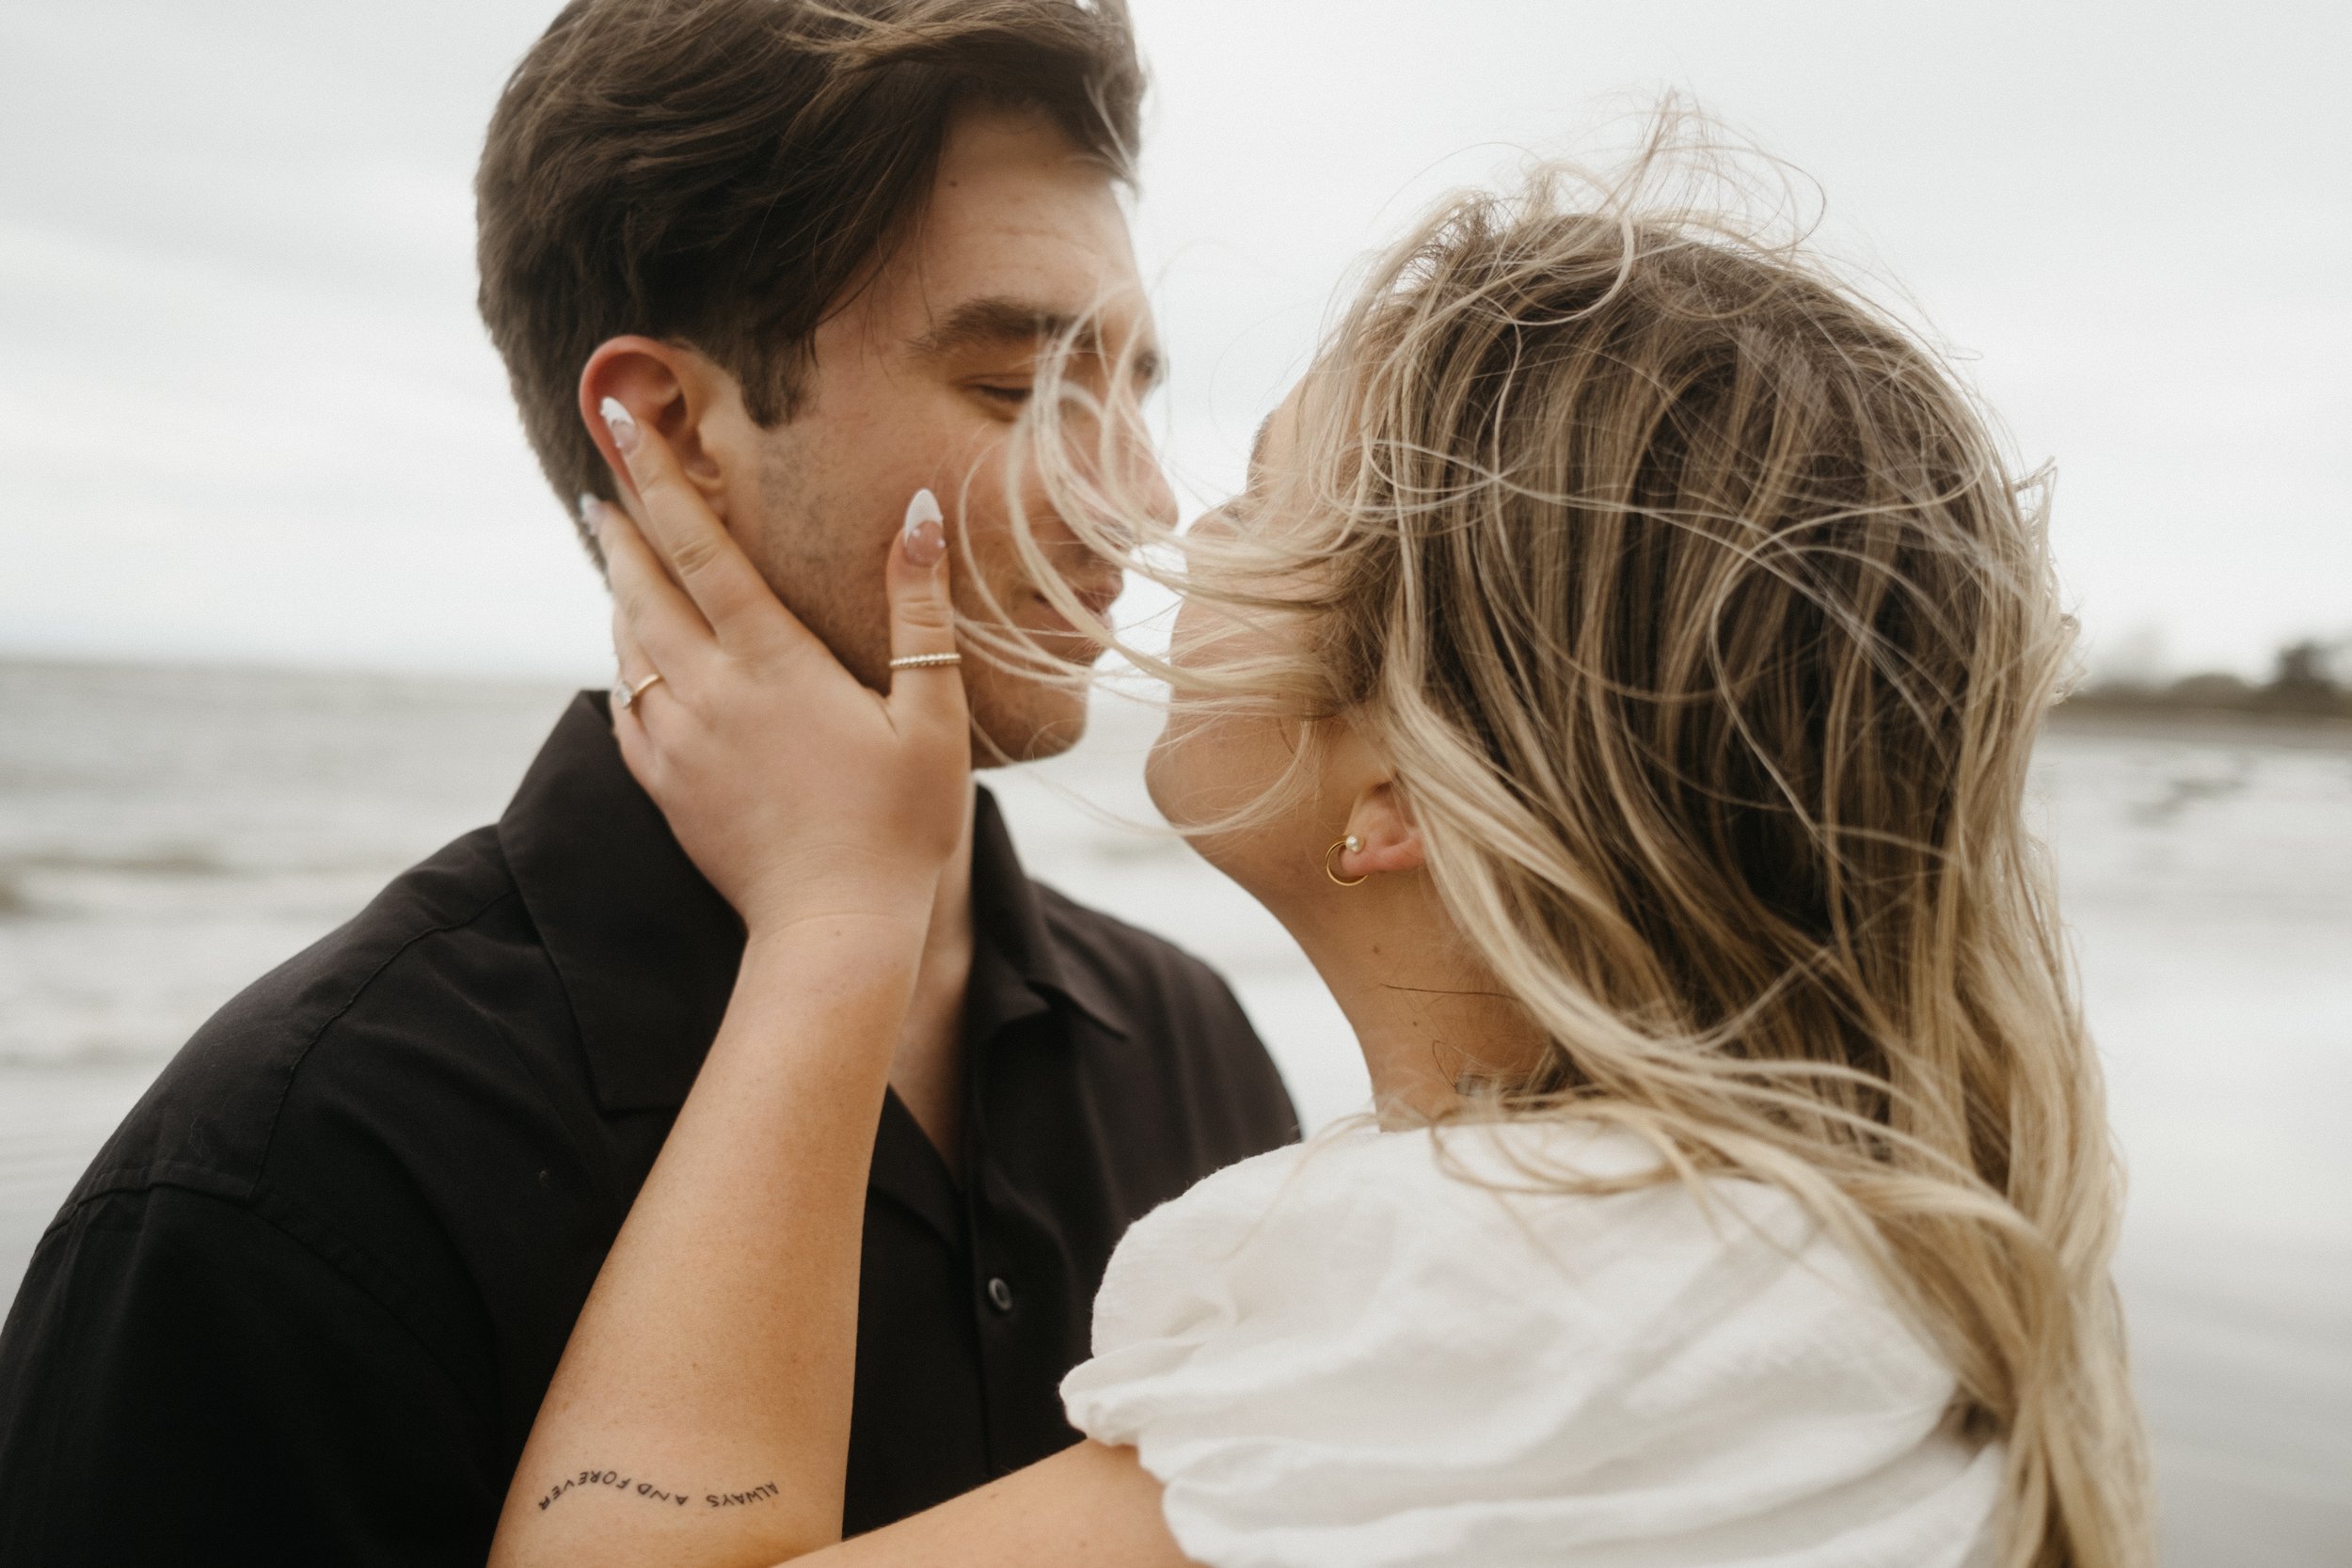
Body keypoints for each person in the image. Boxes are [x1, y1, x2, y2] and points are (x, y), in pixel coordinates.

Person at [483, 127, 2157, 1568]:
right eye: (1015, 389)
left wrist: (836, 913)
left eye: (1270, 502)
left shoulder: (1497, 1300)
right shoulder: (1788, 1253)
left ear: (1407, 802)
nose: (1166, 518)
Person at [0, 3, 1296, 1563]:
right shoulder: (295, 1175)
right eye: (1018, 392)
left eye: (1136, 394)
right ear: (667, 429)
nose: (1142, 505)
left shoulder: (1191, 1047)